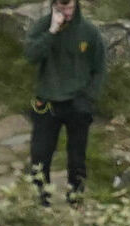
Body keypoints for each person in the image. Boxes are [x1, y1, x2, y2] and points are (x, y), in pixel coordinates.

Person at [23, 0, 108, 207]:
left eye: (69, 7)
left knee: (77, 158)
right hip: (48, 101)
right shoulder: (43, 26)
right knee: (40, 156)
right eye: (61, 8)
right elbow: (31, 56)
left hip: (77, 104)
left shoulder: (89, 32)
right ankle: (41, 200)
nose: (66, 13)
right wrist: (52, 32)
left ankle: (75, 199)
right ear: (54, 6)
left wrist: (88, 99)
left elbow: (99, 68)